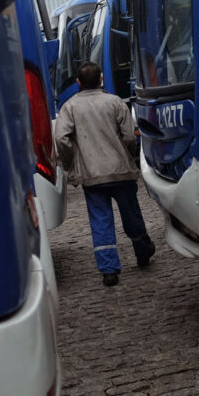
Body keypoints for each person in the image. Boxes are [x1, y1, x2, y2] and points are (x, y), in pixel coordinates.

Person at [54, 61, 155, 286]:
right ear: (101, 79)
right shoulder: (115, 102)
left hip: (92, 175)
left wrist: (71, 165)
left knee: (100, 221)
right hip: (120, 171)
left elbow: (61, 139)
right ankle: (142, 250)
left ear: (78, 82)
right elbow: (130, 136)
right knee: (131, 215)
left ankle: (109, 270)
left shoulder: (69, 107)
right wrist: (127, 155)